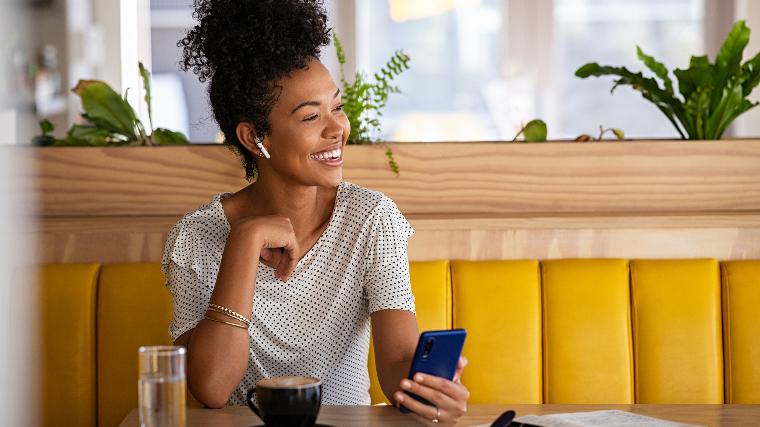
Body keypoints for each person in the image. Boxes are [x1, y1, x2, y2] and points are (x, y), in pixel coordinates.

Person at [162, 0, 470, 424]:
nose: (337, 128)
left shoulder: (370, 218)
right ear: (255, 138)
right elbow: (212, 389)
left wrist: (428, 388)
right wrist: (244, 242)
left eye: (337, 107)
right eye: (311, 116)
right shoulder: (196, 237)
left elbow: (398, 359)